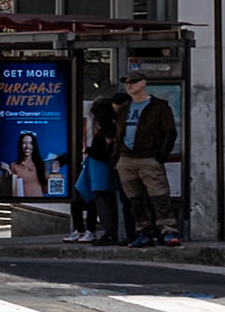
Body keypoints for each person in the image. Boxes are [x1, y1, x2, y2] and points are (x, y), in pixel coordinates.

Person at [117, 71, 180, 246]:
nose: (130, 85)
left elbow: (170, 132)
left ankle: (168, 230)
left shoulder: (158, 107)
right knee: (135, 200)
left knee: (159, 197)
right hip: (127, 157)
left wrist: (160, 156)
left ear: (143, 83)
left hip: (149, 157)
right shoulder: (124, 108)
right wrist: (118, 155)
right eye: (127, 82)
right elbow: (119, 132)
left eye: (134, 82)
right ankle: (143, 232)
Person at [66, 98, 121, 243]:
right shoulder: (112, 125)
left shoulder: (106, 128)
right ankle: (94, 231)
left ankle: (104, 232)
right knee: (95, 199)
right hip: (99, 167)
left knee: (99, 199)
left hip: (99, 167)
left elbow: (102, 152)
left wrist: (89, 150)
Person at [3, 131, 48, 198]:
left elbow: (45, 191)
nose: (27, 146)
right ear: (20, 145)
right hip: (21, 204)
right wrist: (6, 173)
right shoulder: (14, 166)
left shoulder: (41, 165)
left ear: (34, 145)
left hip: (38, 204)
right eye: (24, 143)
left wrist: (53, 177)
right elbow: (9, 190)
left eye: (30, 143)